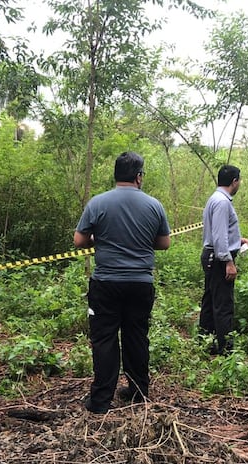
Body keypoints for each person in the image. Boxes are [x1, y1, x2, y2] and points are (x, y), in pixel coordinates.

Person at [74, 151, 171, 414]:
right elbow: (164, 243)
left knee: (104, 338)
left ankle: (101, 401)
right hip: (140, 283)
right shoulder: (154, 205)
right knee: (136, 336)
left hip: (106, 282)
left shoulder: (98, 203)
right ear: (139, 176)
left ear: (116, 175)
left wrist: (101, 240)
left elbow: (80, 241)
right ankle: (139, 393)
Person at [199, 164, 248, 355]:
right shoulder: (222, 202)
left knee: (211, 300)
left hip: (213, 255)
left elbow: (219, 231)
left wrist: (239, 240)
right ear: (234, 181)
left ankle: (206, 343)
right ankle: (226, 351)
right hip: (219, 258)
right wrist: (228, 261)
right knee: (223, 304)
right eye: (239, 181)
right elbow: (219, 236)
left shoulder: (217, 198)